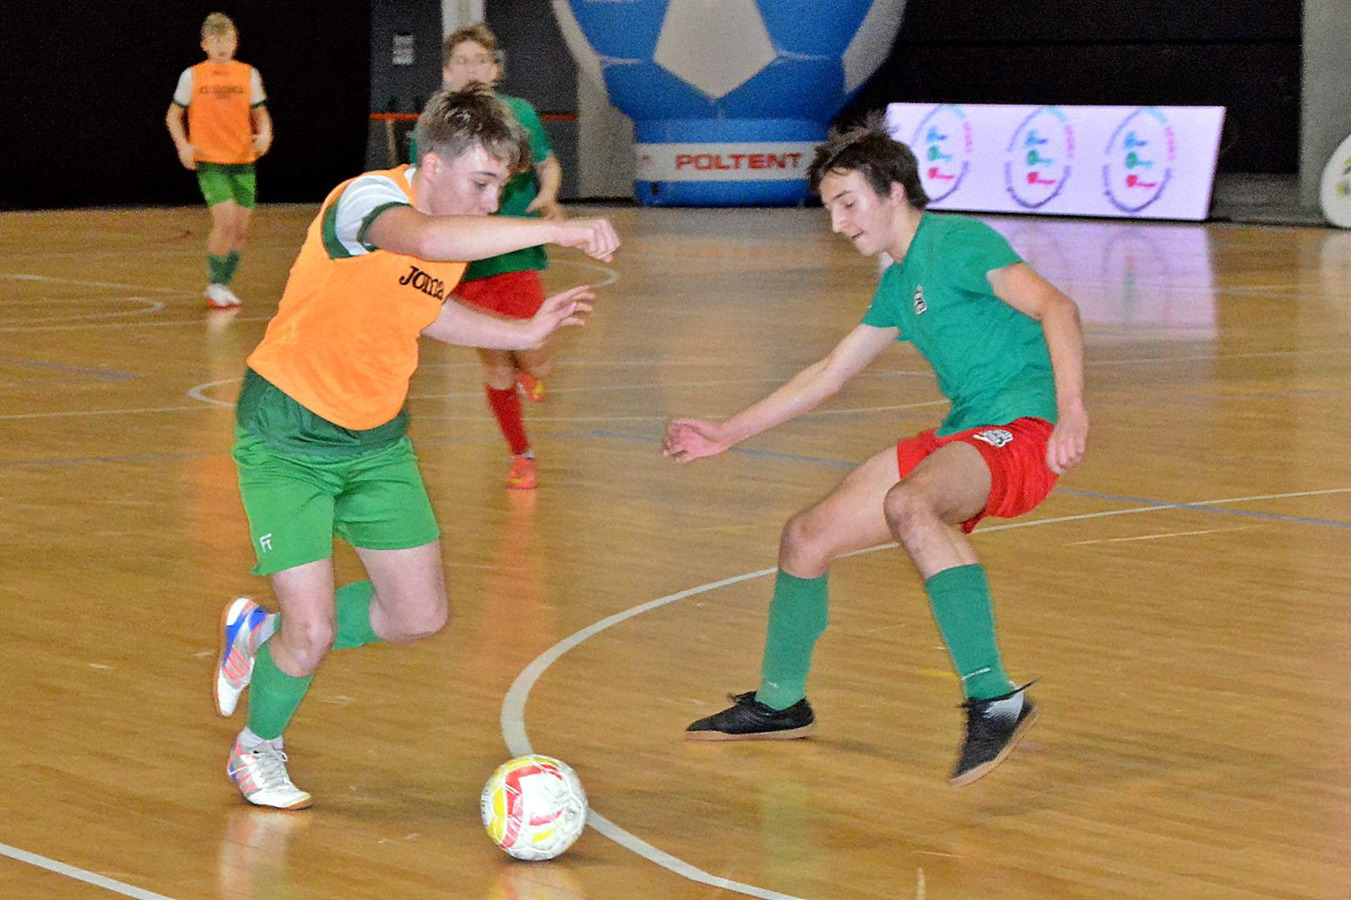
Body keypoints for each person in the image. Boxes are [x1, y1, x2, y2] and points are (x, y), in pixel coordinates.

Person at [213, 86, 620, 810]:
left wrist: (524, 333)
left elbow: (425, 308)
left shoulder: (449, 229)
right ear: (432, 165)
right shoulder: (366, 202)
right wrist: (558, 232)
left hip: (376, 440)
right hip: (286, 437)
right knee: (313, 632)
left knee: (418, 615)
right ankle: (256, 748)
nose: (491, 202)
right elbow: (427, 243)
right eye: (482, 183)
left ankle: (259, 633)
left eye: (501, 187)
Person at [663, 116, 1088, 787]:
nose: (838, 224)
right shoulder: (897, 283)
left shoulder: (956, 243)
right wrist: (727, 432)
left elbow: (1056, 307)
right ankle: (781, 701)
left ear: (893, 191)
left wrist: (1071, 410)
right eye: (830, 209)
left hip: (1023, 429)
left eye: (847, 203)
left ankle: (994, 695)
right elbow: (830, 372)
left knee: (910, 505)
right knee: (805, 537)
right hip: (967, 430)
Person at [414, 23, 568, 490]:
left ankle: (530, 374)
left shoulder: (518, 114)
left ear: (495, 70)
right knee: (495, 364)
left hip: (513, 253)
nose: (471, 69)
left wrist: (548, 195)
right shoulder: (434, 126)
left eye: (480, 61)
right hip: (464, 261)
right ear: (447, 72)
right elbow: (421, 187)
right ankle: (521, 453)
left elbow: (547, 164)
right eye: (461, 62)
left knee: (535, 360)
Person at [166, 12, 273, 310]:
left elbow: (261, 114)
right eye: (215, 41)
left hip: (243, 161)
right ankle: (214, 285)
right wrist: (183, 145)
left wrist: (265, 134)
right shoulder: (192, 76)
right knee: (225, 220)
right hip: (211, 161)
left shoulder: (248, 74)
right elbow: (173, 115)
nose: (222, 46)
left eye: (227, 40)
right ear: (204, 44)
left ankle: (223, 284)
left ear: (235, 42)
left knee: (240, 229)